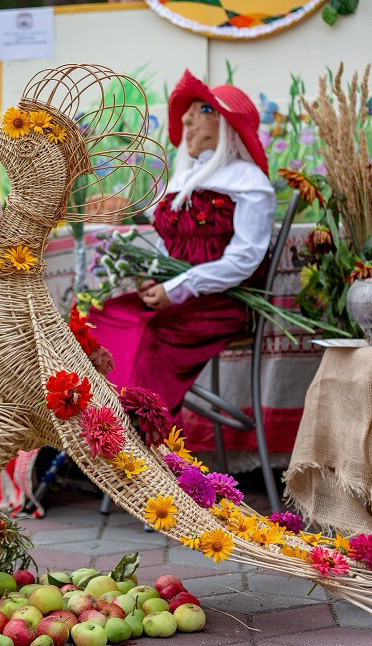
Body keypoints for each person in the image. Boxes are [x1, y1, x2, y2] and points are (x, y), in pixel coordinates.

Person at [86, 69, 276, 422]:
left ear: (228, 125)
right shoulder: (185, 179)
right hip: (176, 299)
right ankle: (92, 427)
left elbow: (245, 259)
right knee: (96, 319)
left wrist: (179, 287)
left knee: (146, 331)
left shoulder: (249, 182)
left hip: (219, 304)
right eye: (187, 112)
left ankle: (137, 434)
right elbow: (167, 244)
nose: (187, 118)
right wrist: (153, 276)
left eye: (202, 110)